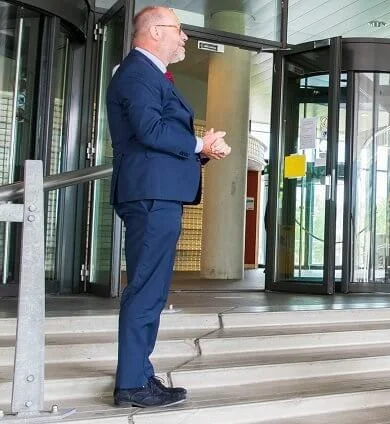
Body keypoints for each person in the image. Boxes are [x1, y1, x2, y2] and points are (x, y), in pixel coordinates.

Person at [106, 6, 231, 408]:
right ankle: (130, 383)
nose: (185, 38)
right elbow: (149, 130)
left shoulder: (147, 74)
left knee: (152, 289)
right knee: (145, 288)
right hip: (150, 196)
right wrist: (199, 144)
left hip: (157, 193)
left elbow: (160, 136)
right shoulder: (137, 74)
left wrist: (202, 149)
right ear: (156, 32)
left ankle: (140, 374)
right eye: (179, 30)